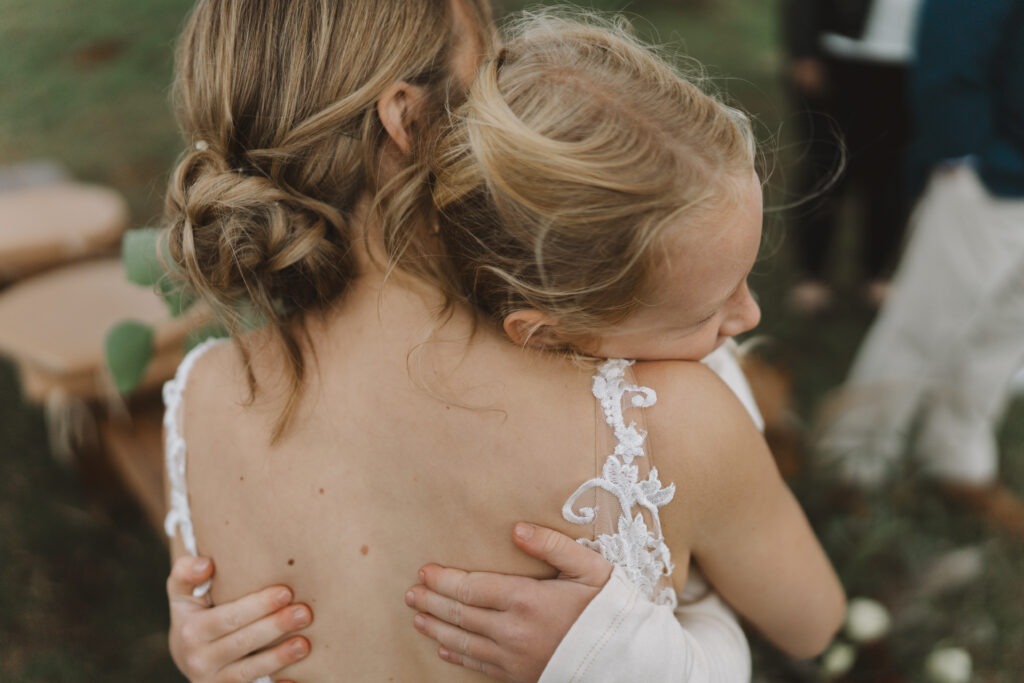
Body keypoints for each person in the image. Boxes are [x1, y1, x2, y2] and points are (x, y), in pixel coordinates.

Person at [161, 4, 845, 682]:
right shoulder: (660, 416)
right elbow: (813, 622)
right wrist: (644, 655)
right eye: (482, 55)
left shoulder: (199, 403)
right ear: (405, 117)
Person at [816, 0, 1024, 533]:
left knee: (1008, 330)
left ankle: (957, 459)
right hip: (990, 168)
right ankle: (855, 462)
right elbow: (955, 39)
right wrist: (964, 153)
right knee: (927, 322)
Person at [780, 0, 920, 313]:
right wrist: (803, 50)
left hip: (909, 65)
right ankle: (811, 273)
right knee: (826, 165)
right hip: (840, 56)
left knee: (891, 173)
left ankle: (876, 273)